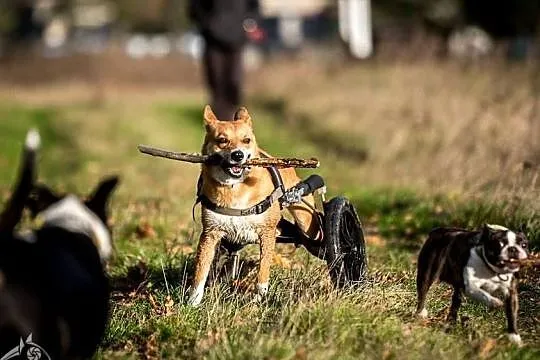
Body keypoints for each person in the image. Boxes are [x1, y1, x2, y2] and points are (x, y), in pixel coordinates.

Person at [188, 0, 259, 120]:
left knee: (234, 81)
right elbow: (195, 8)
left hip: (237, 40)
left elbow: (254, 8)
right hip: (213, 42)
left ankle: (235, 118)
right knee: (217, 82)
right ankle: (220, 122)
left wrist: (248, 25)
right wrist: (208, 25)